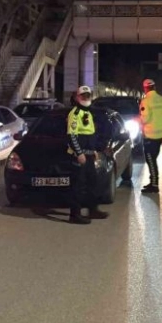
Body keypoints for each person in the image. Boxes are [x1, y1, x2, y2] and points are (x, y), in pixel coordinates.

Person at [67, 85, 109, 224]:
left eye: (88, 96)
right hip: (79, 156)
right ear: (77, 97)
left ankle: (93, 210)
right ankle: (75, 215)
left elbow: (90, 135)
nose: (86, 98)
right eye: (83, 96)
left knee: (92, 183)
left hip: (90, 154)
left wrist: (94, 151)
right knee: (78, 186)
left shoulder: (88, 113)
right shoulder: (75, 113)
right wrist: (79, 153)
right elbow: (72, 136)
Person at [139, 79, 162, 193]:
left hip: (149, 136)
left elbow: (145, 118)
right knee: (153, 158)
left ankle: (154, 184)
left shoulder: (146, 101)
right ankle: (153, 182)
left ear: (145, 88)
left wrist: (139, 119)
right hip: (160, 135)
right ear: (154, 87)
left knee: (150, 159)